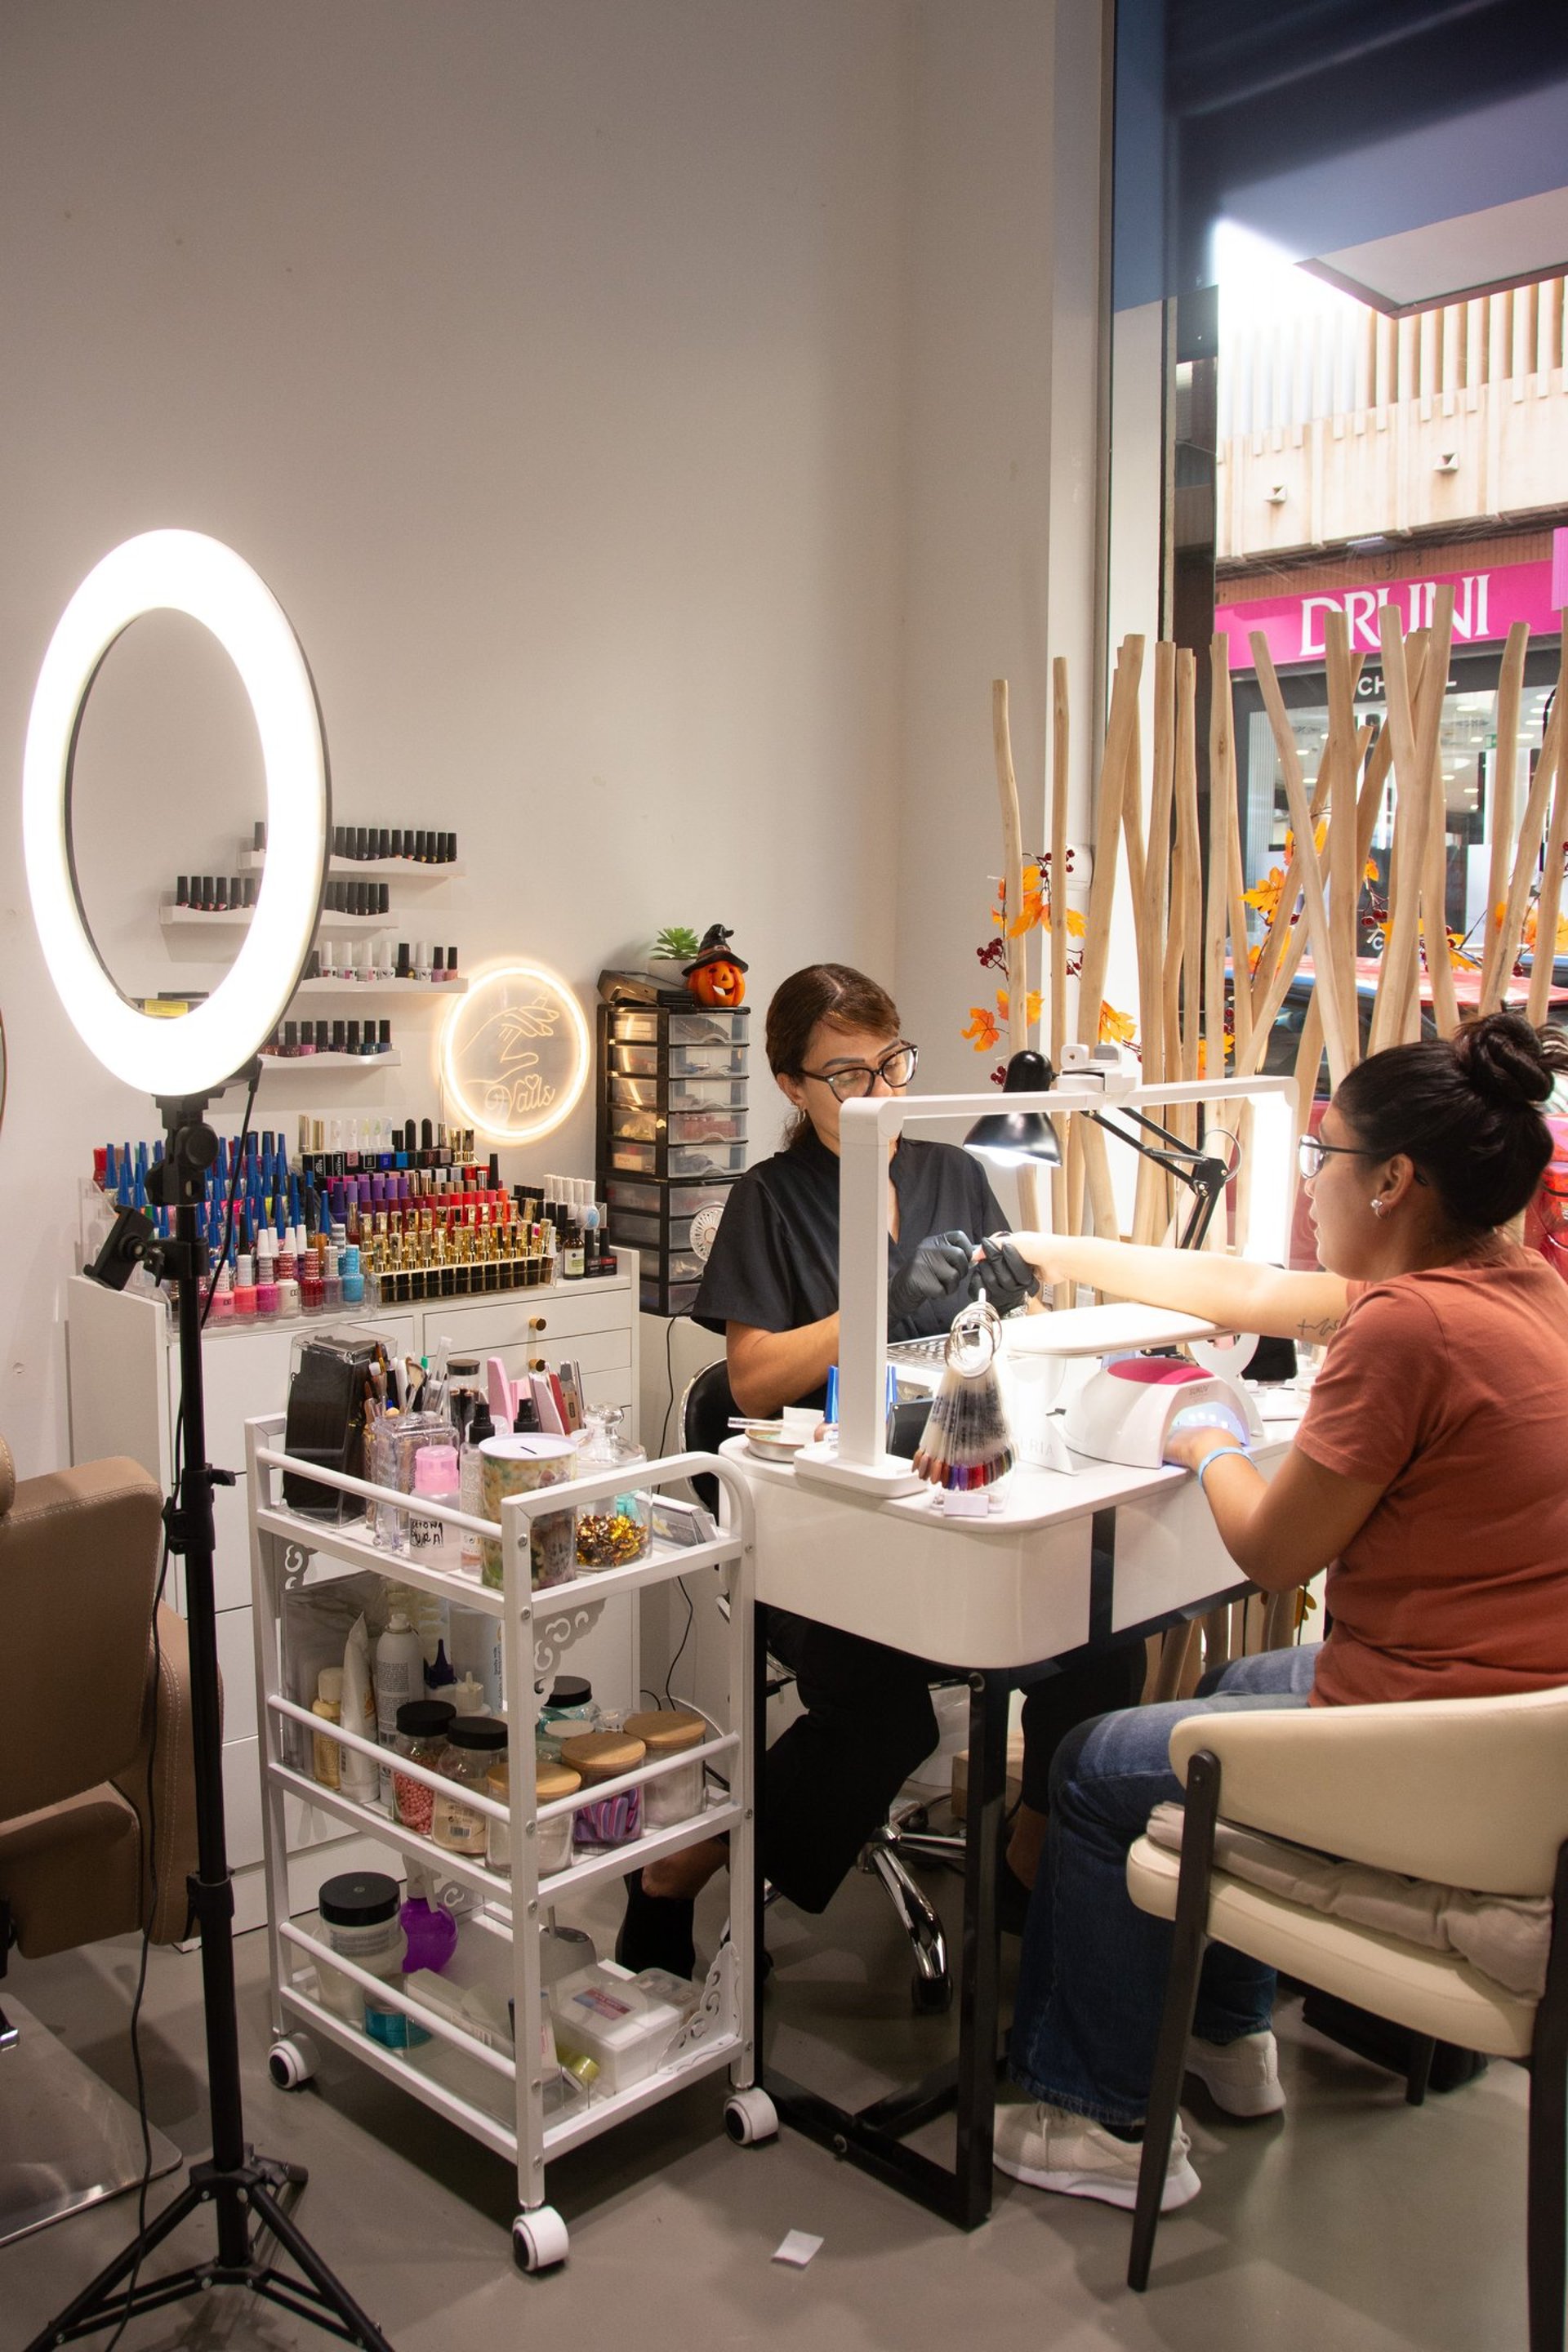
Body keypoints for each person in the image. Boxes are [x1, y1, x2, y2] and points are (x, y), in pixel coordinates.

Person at [987, 1009, 1568, 2215]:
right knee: (1229, 1695)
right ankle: (1229, 2032)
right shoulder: (1521, 1287)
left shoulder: (1405, 1329)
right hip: (1511, 1718)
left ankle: (1088, 2112)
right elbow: (1245, 1289)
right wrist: (1039, 1243)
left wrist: (1203, 1438)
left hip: (1424, 1735)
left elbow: (1270, 1553)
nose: (1307, 1184)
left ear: (1393, 1181)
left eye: (1322, 1155)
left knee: (1092, 1764)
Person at [617, 961, 1145, 1976]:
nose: (880, 1091)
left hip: (945, 1494)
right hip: (817, 1528)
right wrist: (877, 1299)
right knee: (882, 1711)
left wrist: (1014, 1303)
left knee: (1101, 1639)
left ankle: (1026, 1862)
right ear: (792, 1085)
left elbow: (1002, 1334)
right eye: (847, 1075)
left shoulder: (952, 1172)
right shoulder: (770, 1200)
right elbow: (753, 1379)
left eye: (893, 1063)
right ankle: (680, 1870)